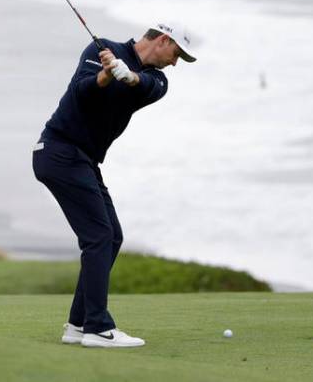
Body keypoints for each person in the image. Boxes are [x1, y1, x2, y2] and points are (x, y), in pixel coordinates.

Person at [33, 21, 197, 349]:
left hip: (83, 160)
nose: (176, 62)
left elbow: (142, 84)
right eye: (177, 53)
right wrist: (106, 75)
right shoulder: (100, 49)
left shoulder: (160, 80)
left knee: (112, 237)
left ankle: (78, 325)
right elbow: (82, 91)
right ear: (163, 40)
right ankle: (97, 327)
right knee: (98, 236)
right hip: (59, 151)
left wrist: (127, 75)